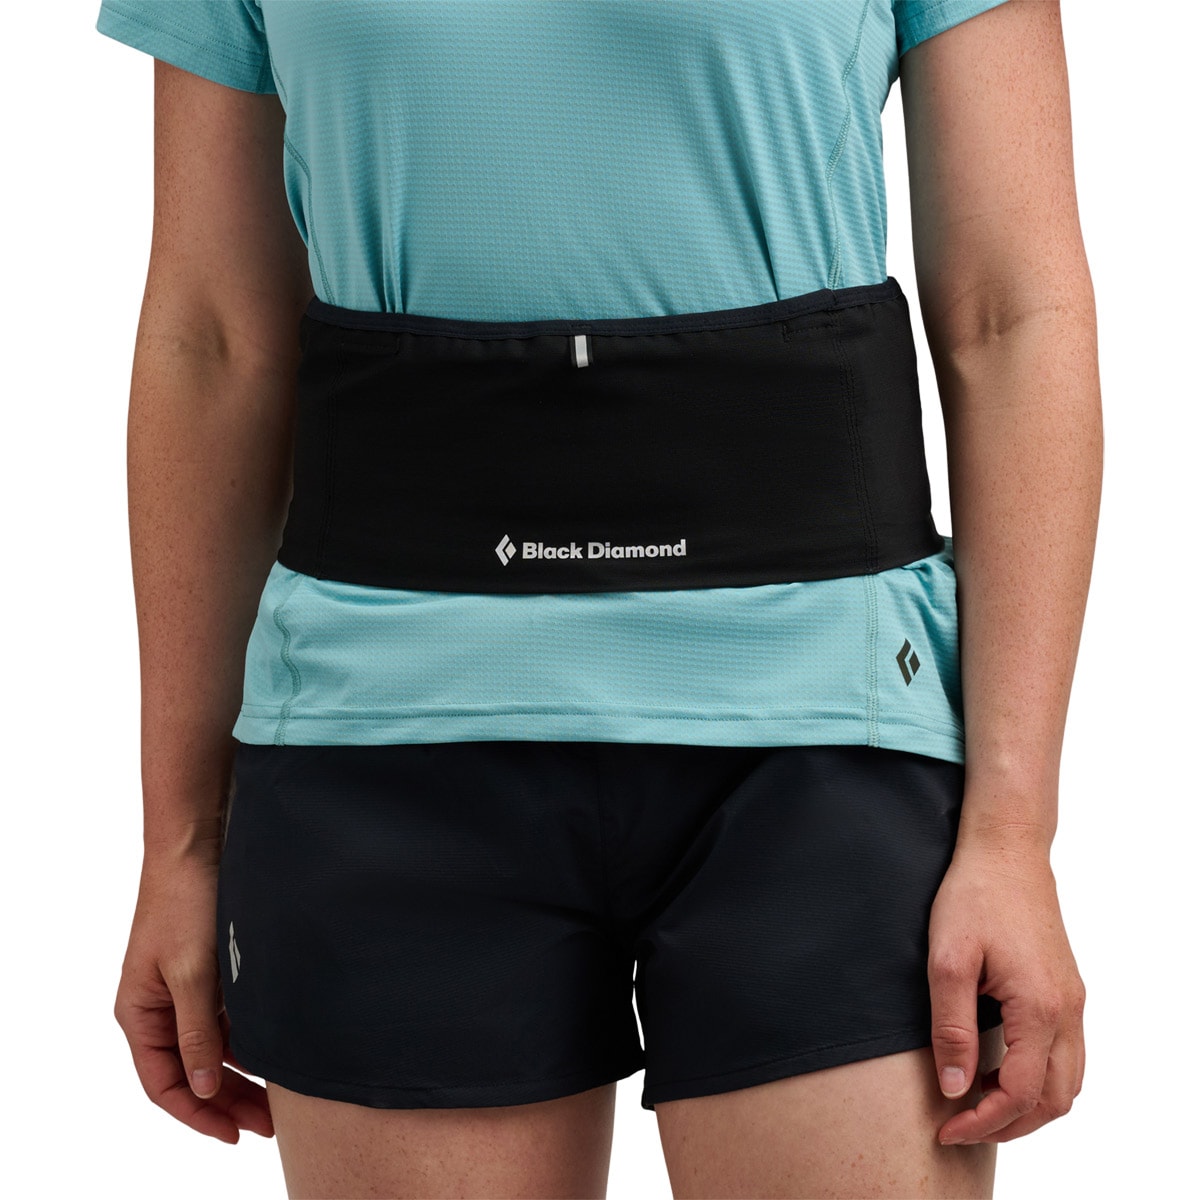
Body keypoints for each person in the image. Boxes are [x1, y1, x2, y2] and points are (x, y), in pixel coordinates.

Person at [96, 1, 1096, 1196]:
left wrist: (1013, 834)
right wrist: (180, 841)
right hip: (387, 733)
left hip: (823, 727)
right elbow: (213, 340)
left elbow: (1010, 315)